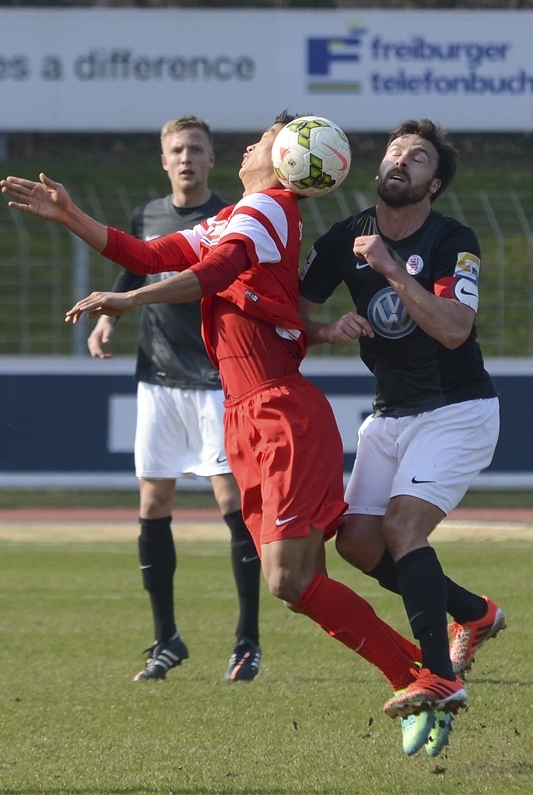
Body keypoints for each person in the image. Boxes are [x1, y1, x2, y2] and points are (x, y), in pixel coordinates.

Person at [2, 113, 457, 758]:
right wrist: (72, 217)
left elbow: (214, 277)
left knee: (288, 579)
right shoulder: (242, 215)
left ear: (288, 160)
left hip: (279, 415)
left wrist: (127, 304)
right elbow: (148, 253)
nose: (248, 146)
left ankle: (422, 674)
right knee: (300, 582)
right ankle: (426, 676)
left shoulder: (268, 208)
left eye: (262, 140)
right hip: (249, 415)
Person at [298, 119, 506, 741]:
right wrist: (322, 330)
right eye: (395, 152)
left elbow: (453, 328)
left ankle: (439, 676)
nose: (401, 161)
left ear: (433, 183)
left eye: (417, 158)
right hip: (389, 414)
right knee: (358, 544)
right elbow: (293, 308)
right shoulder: (344, 237)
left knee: (402, 527)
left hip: (457, 409)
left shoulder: (453, 239)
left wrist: (390, 269)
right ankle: (473, 613)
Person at [88, 116, 262, 683]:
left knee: (231, 505)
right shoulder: (147, 215)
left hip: (216, 381)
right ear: (163, 161)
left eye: (195, 148)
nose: (186, 157)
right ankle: (166, 639)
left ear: (212, 158)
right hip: (158, 380)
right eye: (176, 150)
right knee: (153, 504)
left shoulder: (233, 219)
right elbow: (134, 266)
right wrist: (108, 317)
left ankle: (247, 641)